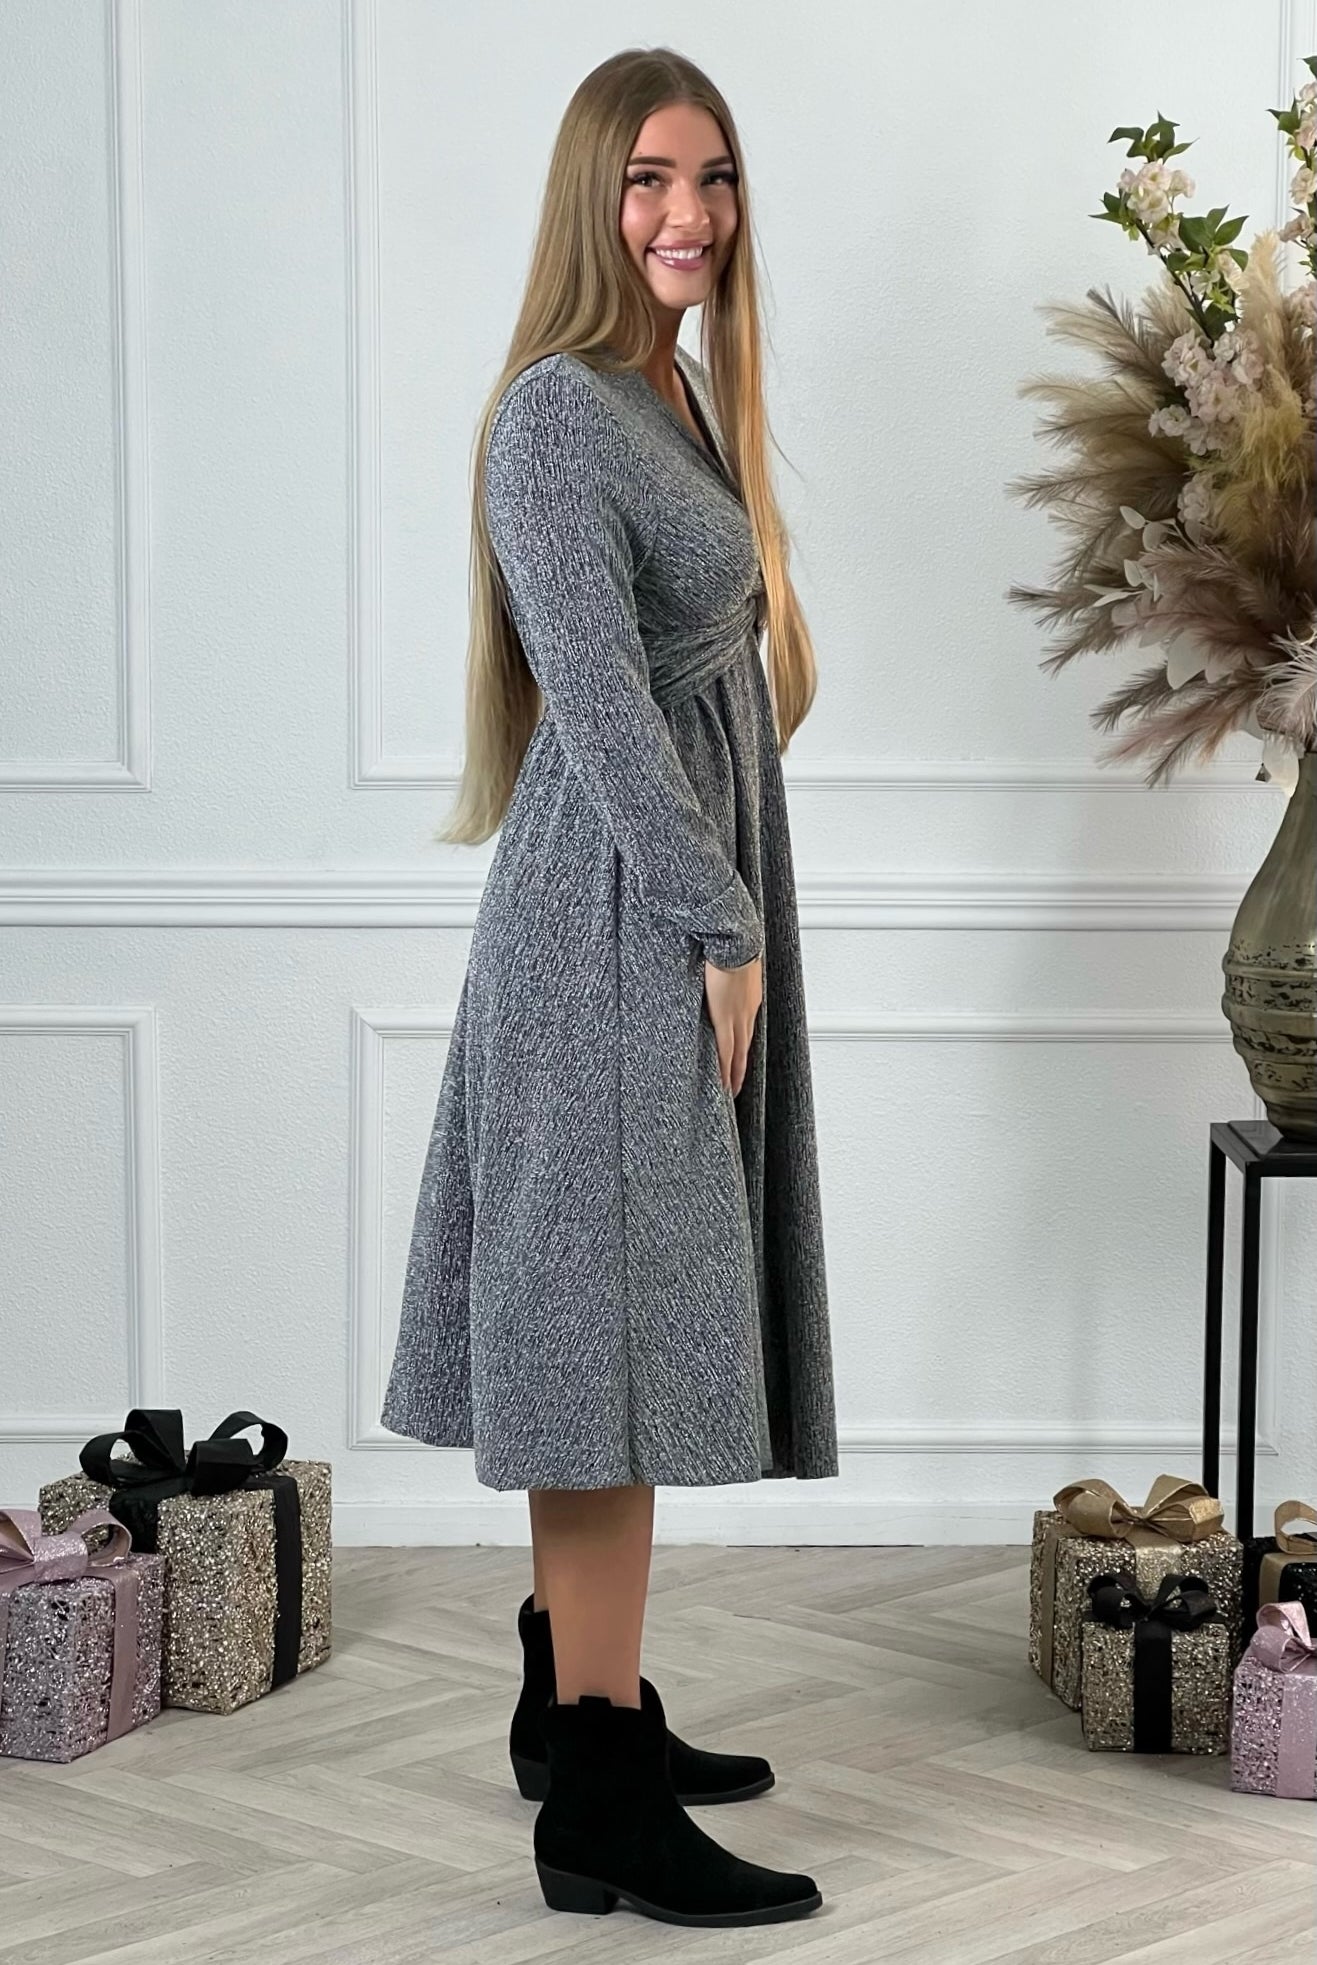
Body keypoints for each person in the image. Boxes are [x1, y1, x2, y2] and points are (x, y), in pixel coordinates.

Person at [380, 44, 840, 1929]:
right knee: (605, 1358)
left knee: (615, 1333)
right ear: (594, 195)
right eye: (651, 178)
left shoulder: (669, 388)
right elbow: (599, 709)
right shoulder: (558, 418)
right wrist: (718, 922)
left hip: (662, 900)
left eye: (713, 178)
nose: (689, 214)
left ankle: (583, 1707)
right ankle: (599, 1806)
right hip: (615, 925)